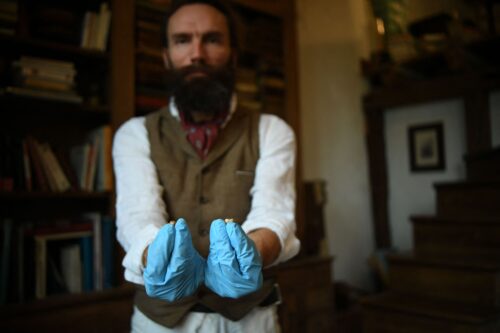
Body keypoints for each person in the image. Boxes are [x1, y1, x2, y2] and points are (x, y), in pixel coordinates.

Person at [112, 0, 300, 331]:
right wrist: (155, 257)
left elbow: (275, 211)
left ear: (233, 55)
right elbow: (137, 216)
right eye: (182, 40)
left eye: (212, 39)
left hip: (251, 320)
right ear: (167, 56)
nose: (196, 53)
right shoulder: (134, 134)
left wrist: (252, 254)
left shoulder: (272, 130)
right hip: (160, 323)